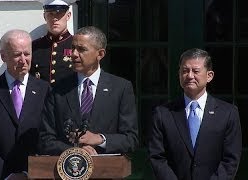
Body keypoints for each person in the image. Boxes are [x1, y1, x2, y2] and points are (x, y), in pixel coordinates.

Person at [39, 26, 139, 155]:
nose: (74, 54)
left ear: (100, 54)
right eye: (73, 48)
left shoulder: (121, 88)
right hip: (67, 170)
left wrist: (100, 139)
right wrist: (74, 151)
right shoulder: (58, 89)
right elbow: (45, 139)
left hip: (105, 170)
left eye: (81, 49)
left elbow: (131, 139)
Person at [146, 48, 242, 180]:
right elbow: (157, 157)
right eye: (185, 71)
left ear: (209, 76)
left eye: (195, 71)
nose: (190, 75)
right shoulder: (163, 114)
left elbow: (230, 160)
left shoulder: (228, 113)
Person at [0, 29, 50, 180]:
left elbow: (48, 138)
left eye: (27, 54)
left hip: (34, 175)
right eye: (16, 55)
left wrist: (28, 173)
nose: (23, 60)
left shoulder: (45, 90)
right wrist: (7, 175)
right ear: (3, 56)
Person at [29, 0, 76, 87]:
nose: (55, 18)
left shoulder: (76, 45)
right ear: (44, 16)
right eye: (50, 14)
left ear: (68, 16)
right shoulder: (34, 46)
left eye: (59, 14)